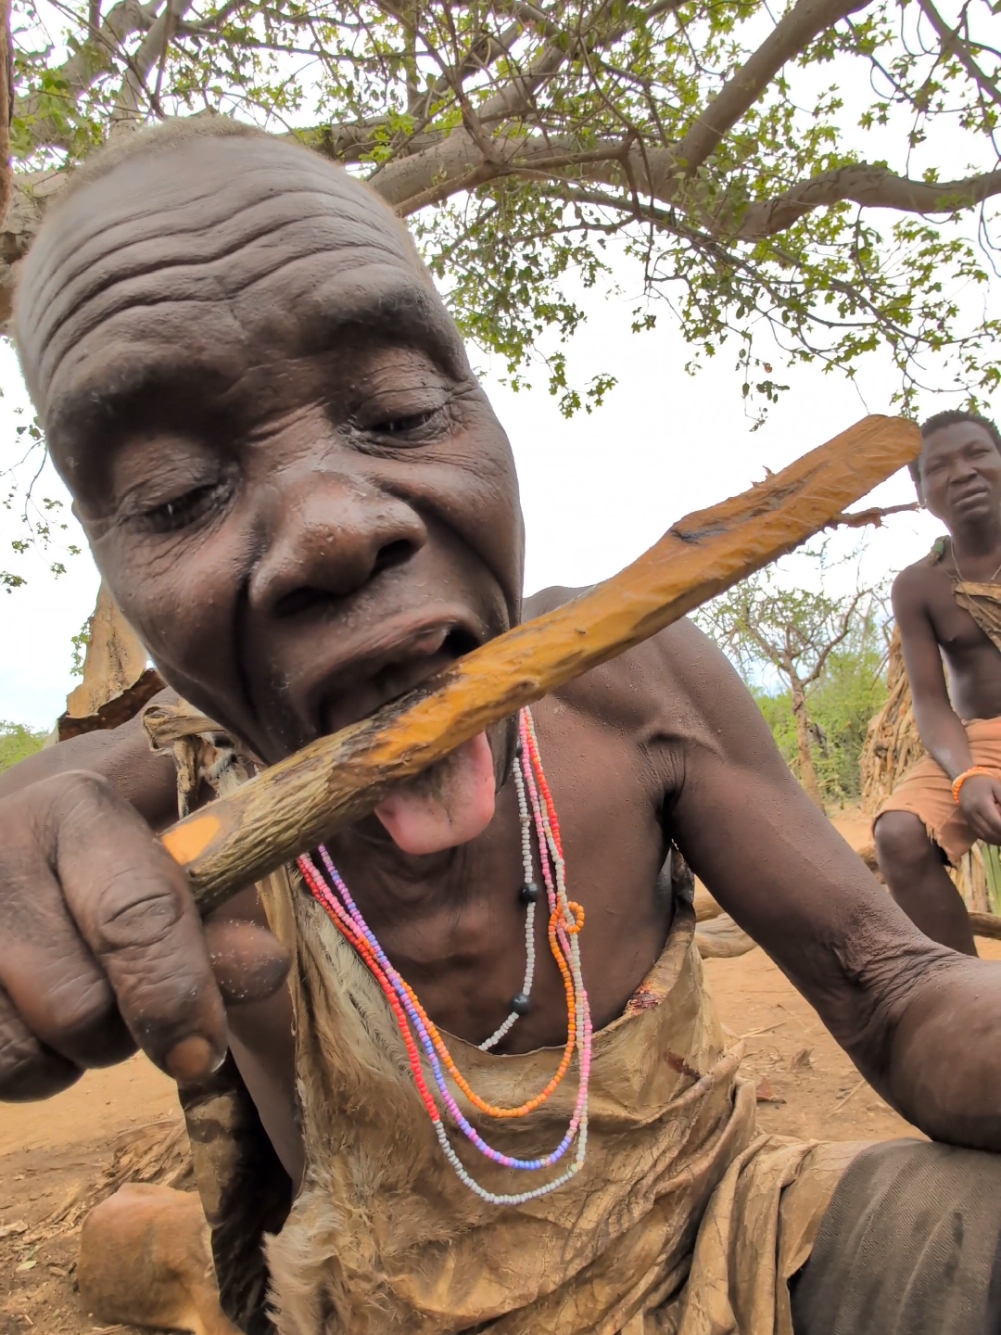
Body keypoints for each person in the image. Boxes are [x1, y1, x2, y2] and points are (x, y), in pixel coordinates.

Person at [6, 120, 1001, 1335]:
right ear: (113, 562)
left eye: (397, 406)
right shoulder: (165, 796)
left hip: (732, 1250)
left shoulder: (633, 683)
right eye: (175, 492)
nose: (331, 526)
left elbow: (886, 984)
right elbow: (57, 809)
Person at [875, 410, 1001, 955]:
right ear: (922, 492)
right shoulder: (919, 585)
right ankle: (972, 998)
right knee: (899, 834)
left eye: (978, 454)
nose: (965, 473)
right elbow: (930, 700)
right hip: (983, 742)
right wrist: (966, 774)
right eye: (940, 467)